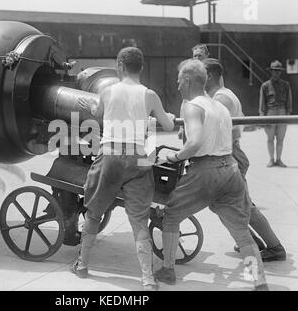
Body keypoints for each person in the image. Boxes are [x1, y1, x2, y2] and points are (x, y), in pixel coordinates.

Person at [154, 59, 268, 291]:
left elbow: (194, 143)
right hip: (230, 169)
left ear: (187, 81)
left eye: (178, 82)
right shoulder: (220, 107)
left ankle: (167, 270)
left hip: (205, 170)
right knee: (241, 232)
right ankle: (259, 282)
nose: (177, 87)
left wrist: (174, 157)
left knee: (172, 215)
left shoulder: (192, 106)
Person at [74, 47, 176, 291]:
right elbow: (168, 123)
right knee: (139, 221)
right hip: (137, 157)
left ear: (120, 65)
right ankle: (147, 279)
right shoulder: (149, 94)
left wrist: (90, 107)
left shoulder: (107, 91)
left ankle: (82, 266)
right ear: (140, 67)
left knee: (94, 213)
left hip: (109, 154)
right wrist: (165, 115)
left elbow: (98, 113)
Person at [204, 58, 286, 262]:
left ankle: (274, 247)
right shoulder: (219, 95)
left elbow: (219, 134)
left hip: (229, 154)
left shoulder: (221, 98)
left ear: (210, 75)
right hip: (228, 153)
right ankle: (251, 241)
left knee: (243, 205)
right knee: (221, 204)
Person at [259, 60, 292, 167]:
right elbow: (262, 102)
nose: (276, 73)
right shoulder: (265, 86)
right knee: (270, 138)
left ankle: (279, 159)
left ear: (281, 72)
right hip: (270, 112)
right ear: (271, 72)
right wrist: (262, 118)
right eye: (274, 71)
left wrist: (287, 115)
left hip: (282, 112)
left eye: (278, 71)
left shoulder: (286, 85)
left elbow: (289, 101)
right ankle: (271, 159)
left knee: (281, 138)